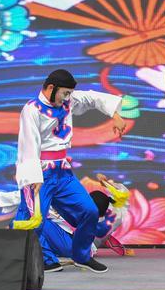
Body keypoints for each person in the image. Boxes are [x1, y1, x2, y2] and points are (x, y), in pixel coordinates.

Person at [14, 69, 126, 273]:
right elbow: (28, 144)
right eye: (65, 93)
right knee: (34, 220)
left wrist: (116, 116)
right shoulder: (31, 110)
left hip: (62, 172)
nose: (68, 97)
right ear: (51, 88)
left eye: (69, 93)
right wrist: (33, 176)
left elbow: (92, 98)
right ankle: (35, 263)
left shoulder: (67, 101)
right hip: (40, 172)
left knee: (89, 211)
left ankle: (81, 256)